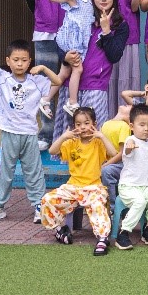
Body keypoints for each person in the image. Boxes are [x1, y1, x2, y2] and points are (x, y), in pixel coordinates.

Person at [11, 0, 93, 149]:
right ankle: (46, 135)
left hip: (73, 38)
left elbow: (91, 1)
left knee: (72, 81)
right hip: (46, 33)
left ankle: (70, 133)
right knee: (46, 83)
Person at [0, 25, 61, 224]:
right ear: (8, 61)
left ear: (30, 61)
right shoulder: (3, 78)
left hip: (30, 134)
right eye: (15, 60)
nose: (20, 64)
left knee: (34, 172)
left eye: (24, 60)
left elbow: (57, 81)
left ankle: (39, 206)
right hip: (9, 133)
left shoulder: (36, 81)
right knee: (5, 172)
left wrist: (43, 68)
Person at [48, 0, 129, 137]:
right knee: (70, 136)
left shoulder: (120, 24)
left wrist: (106, 31)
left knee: (92, 135)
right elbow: (61, 40)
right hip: (71, 84)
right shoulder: (81, 15)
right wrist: (65, 57)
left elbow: (114, 56)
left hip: (95, 85)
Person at [39, 107, 116, 255]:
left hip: (93, 187)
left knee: (97, 205)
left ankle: (102, 238)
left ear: (94, 124)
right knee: (47, 199)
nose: (83, 127)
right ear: (74, 126)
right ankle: (59, 230)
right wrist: (63, 137)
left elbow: (113, 153)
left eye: (87, 123)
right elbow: (52, 151)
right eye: (78, 124)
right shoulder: (71, 142)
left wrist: (101, 135)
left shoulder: (98, 142)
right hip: (72, 187)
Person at [95, 0, 142, 109]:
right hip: (103, 33)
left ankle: (127, 120)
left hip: (128, 36)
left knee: (126, 80)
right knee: (106, 79)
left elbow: (135, 8)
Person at [114, 104, 148, 250]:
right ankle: (123, 232)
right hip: (129, 186)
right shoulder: (130, 140)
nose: (146, 129)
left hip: (146, 186)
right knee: (140, 202)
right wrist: (129, 146)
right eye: (142, 125)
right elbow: (127, 150)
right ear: (132, 126)